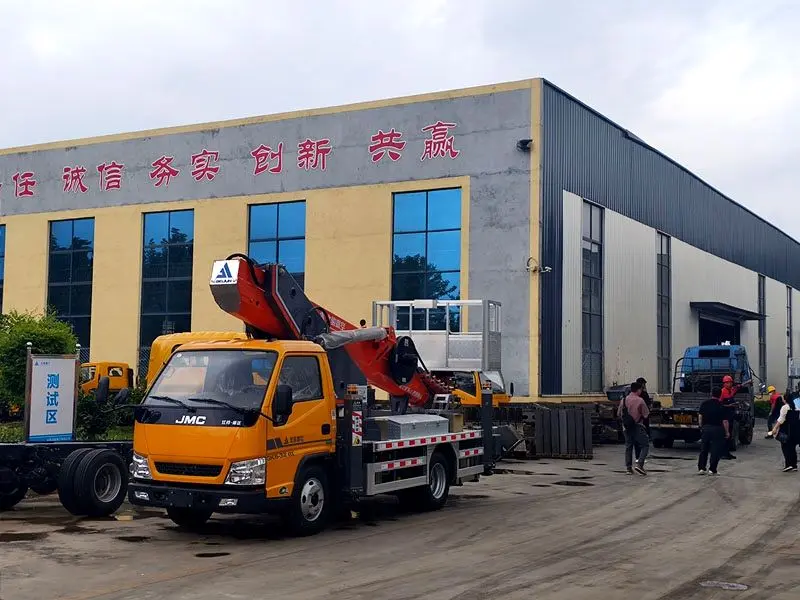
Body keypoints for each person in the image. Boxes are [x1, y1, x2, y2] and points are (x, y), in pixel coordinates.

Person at [618, 380, 650, 476]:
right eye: (641, 389)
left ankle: (628, 469)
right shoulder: (640, 400)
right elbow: (646, 414)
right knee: (645, 445)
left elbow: (619, 413)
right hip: (637, 426)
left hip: (626, 427)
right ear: (638, 390)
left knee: (629, 446)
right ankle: (640, 464)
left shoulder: (623, 400)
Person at [697, 387, 729, 475]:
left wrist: (701, 426)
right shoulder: (721, 406)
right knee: (715, 450)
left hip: (706, 428)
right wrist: (727, 432)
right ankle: (712, 470)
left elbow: (700, 416)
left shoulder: (704, 404)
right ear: (720, 395)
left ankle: (701, 468)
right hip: (717, 429)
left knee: (704, 448)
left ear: (711, 394)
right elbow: (725, 421)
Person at [718, 374, 751, 459]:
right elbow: (719, 405)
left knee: (730, 434)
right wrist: (730, 405)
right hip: (725, 416)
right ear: (724, 384)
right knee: (725, 435)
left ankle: (727, 453)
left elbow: (739, 386)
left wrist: (748, 382)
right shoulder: (722, 392)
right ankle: (723, 453)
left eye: (730, 383)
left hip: (730, 416)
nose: (730, 384)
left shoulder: (732, 390)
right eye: (728, 383)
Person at [768, 393, 799, 472]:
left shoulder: (785, 407)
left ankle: (788, 465)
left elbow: (781, 419)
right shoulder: (797, 407)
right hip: (795, 430)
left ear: (785, 400)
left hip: (786, 430)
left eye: (783, 399)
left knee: (785, 447)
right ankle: (794, 465)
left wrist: (775, 428)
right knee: (792, 448)